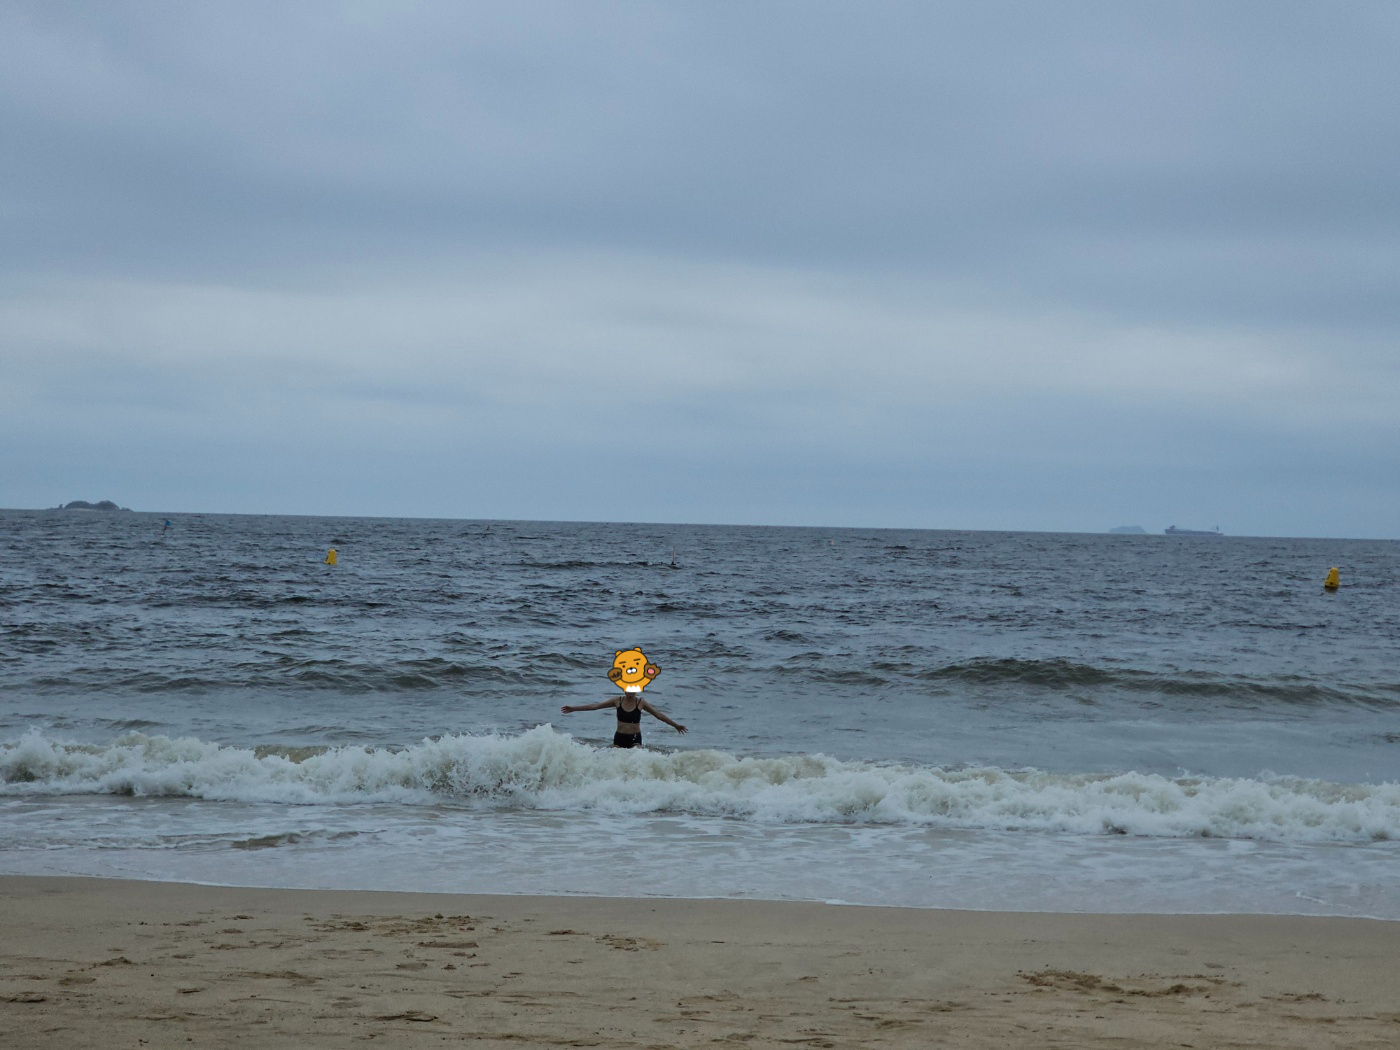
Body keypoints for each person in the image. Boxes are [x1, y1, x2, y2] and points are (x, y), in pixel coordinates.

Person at [560, 647, 687, 748]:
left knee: (638, 757)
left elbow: (658, 715)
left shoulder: (641, 702)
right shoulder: (617, 701)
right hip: (619, 737)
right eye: (628, 689)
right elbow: (596, 706)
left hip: (635, 738)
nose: (631, 692)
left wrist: (676, 725)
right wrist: (574, 708)